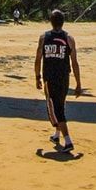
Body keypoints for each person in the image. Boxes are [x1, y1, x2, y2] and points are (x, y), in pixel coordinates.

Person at [35, 9, 82, 151]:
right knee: (59, 105)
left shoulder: (44, 37)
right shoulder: (69, 39)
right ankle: (57, 134)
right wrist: (79, 83)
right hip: (64, 78)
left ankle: (68, 141)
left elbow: (38, 59)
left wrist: (37, 77)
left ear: (50, 21)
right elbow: (74, 62)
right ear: (63, 22)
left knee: (54, 108)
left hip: (50, 78)